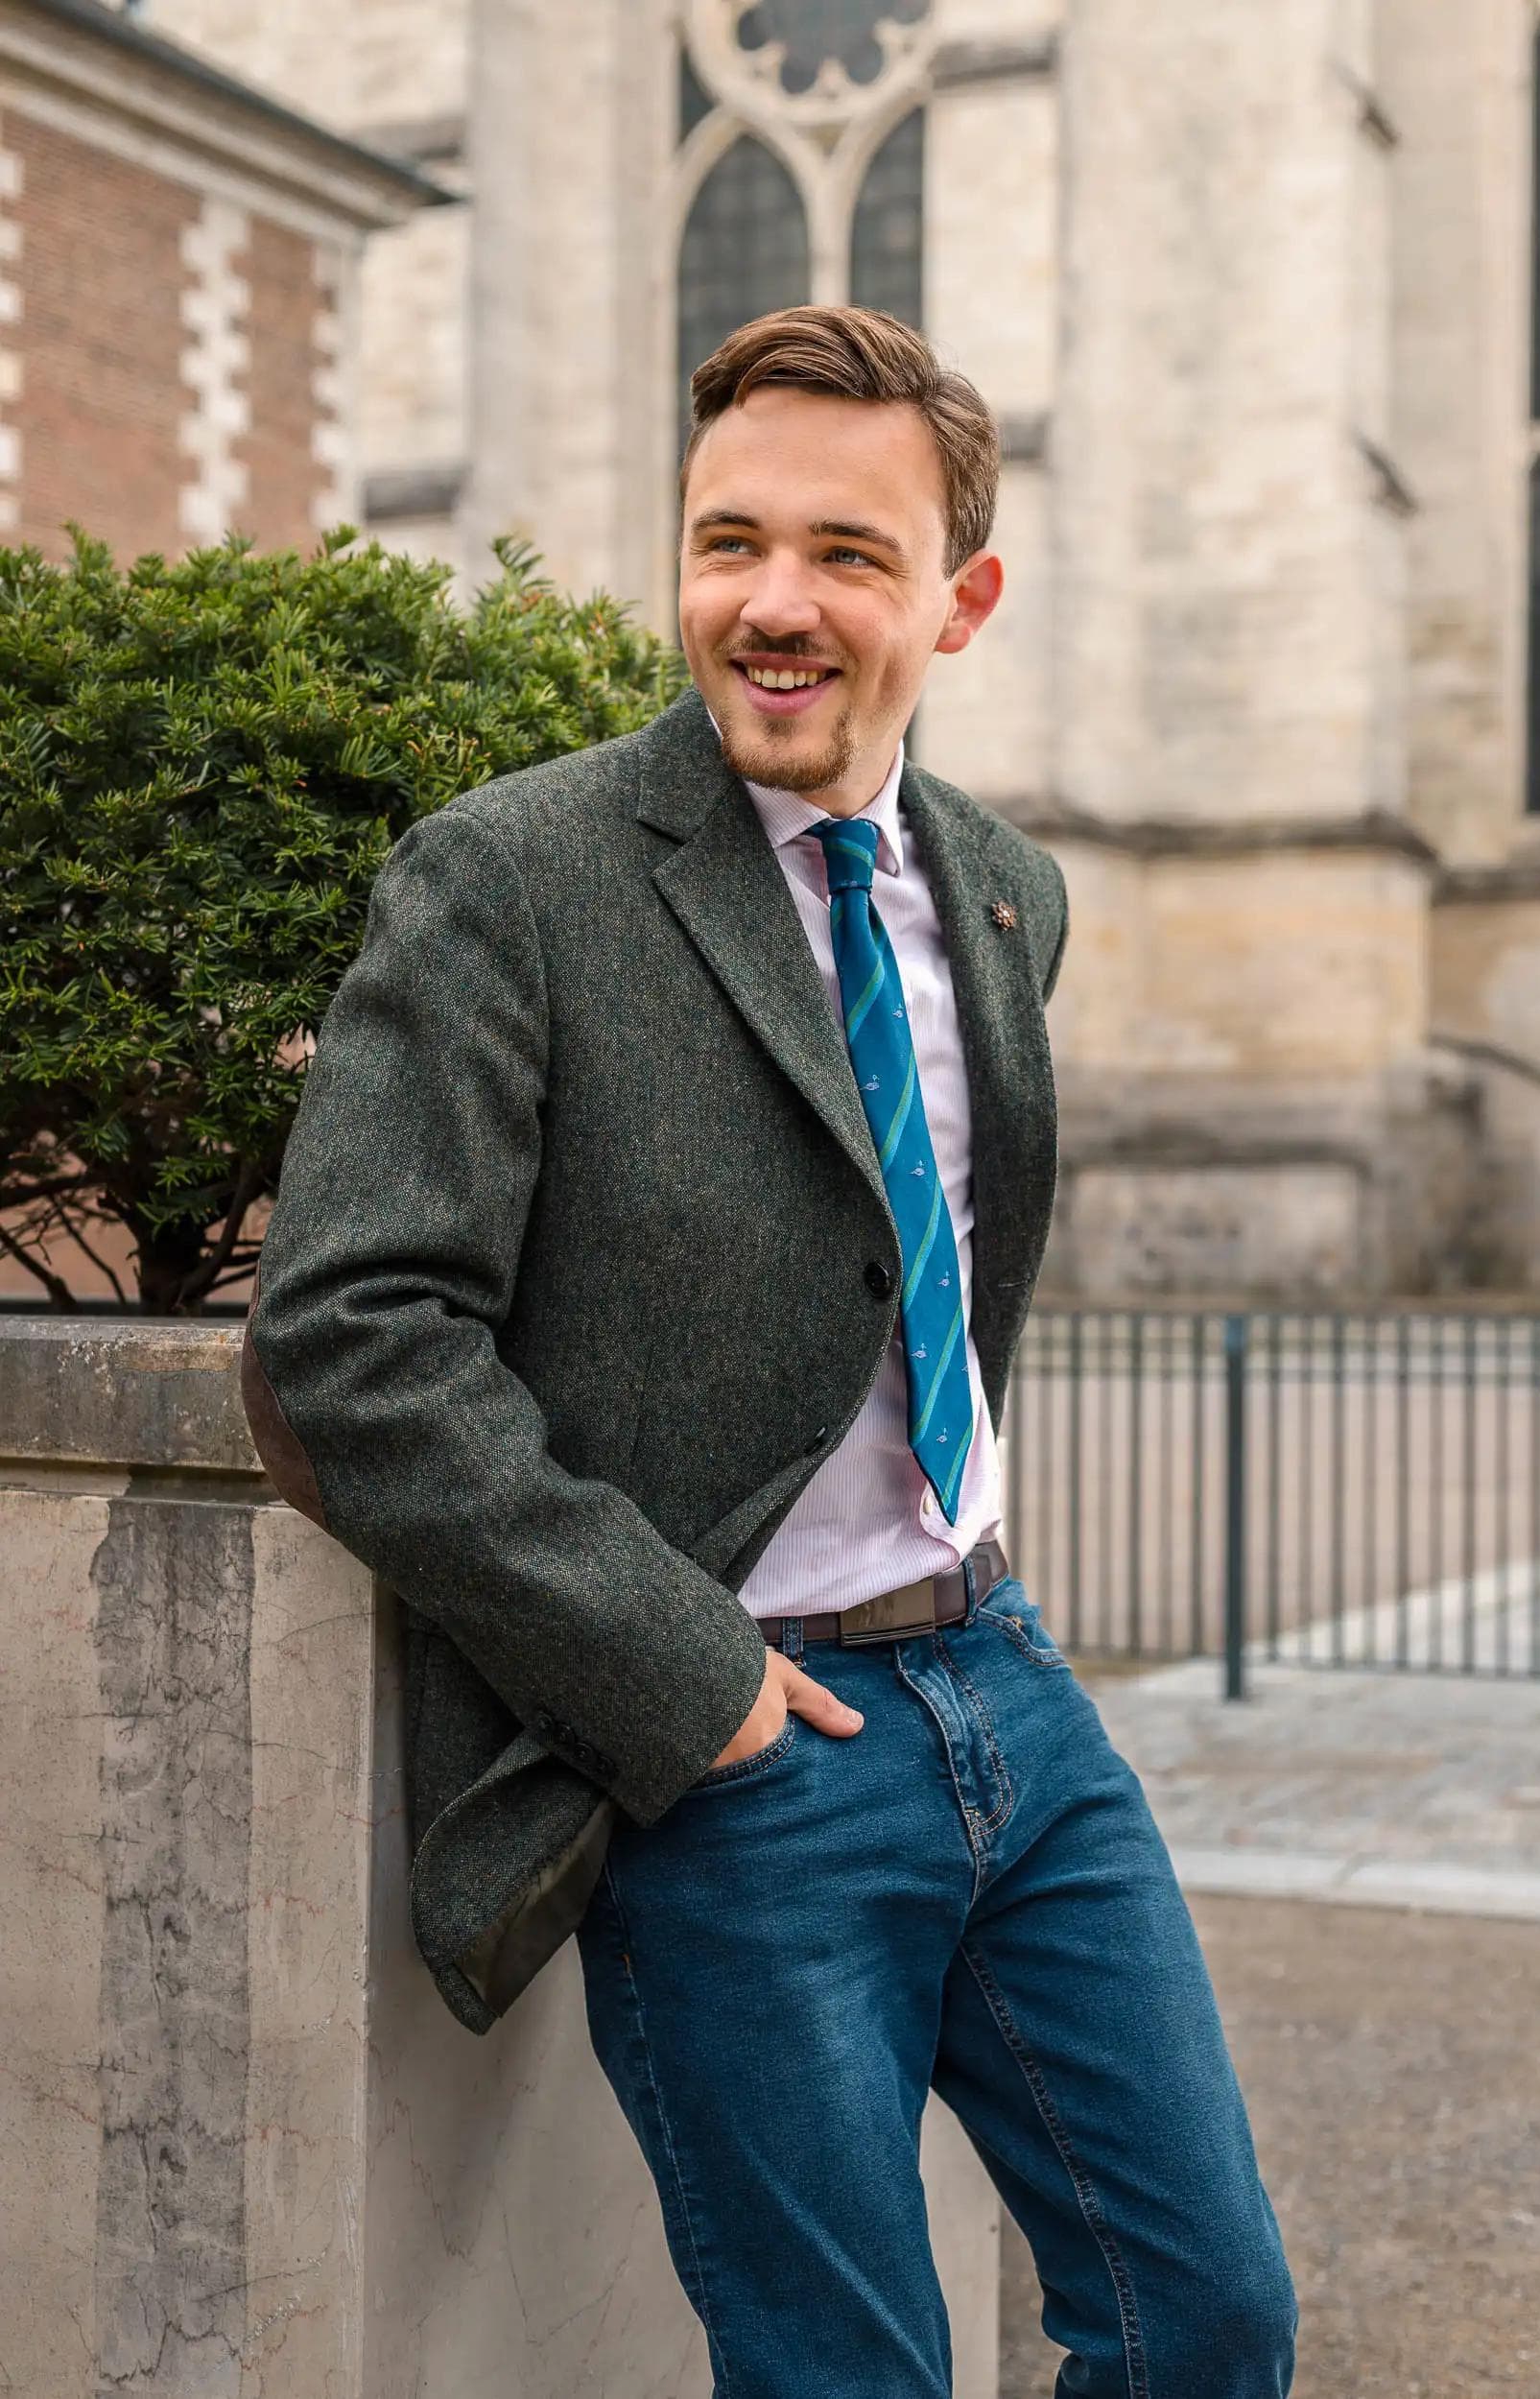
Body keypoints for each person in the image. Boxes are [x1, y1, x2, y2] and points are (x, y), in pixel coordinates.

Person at [243, 304, 1296, 2398]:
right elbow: (350, 1338)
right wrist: (690, 1679)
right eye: (730, 542)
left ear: (961, 600)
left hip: (1005, 1684)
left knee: (1208, 2317)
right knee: (849, 2372)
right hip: (746, 1751)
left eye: (845, 553)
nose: (773, 605)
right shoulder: (511, 879)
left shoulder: (1005, 895)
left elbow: (933, 1265)